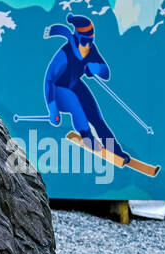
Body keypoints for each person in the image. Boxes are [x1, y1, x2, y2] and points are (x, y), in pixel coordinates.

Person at [41, 14, 130, 163]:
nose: (87, 46)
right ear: (76, 38)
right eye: (84, 41)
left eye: (91, 41)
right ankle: (87, 136)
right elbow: (49, 80)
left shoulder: (91, 50)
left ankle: (113, 148)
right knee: (74, 101)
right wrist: (53, 108)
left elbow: (106, 72)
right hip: (58, 90)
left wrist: (96, 68)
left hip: (74, 85)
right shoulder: (65, 54)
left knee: (95, 114)